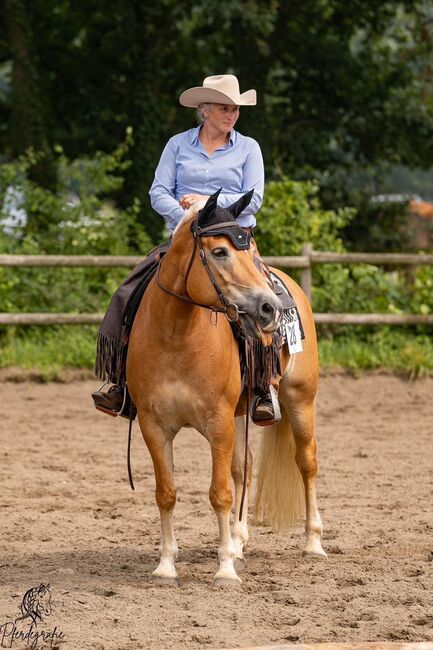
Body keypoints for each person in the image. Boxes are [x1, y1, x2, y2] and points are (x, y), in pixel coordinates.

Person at [92, 74, 276, 423]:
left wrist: (208, 203)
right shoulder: (177, 145)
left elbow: (255, 198)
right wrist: (185, 215)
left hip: (232, 242)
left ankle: (264, 385)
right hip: (182, 239)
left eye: (236, 109)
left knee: (267, 298)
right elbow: (158, 190)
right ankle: (123, 382)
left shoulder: (248, 147)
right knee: (128, 293)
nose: (232, 114)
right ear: (204, 110)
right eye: (224, 108)